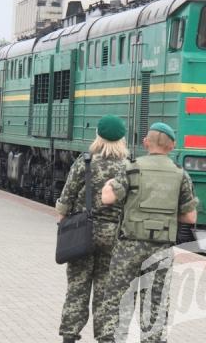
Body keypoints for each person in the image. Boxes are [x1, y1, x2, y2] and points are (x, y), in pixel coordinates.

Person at [97, 122, 198, 343]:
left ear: (145, 143)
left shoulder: (131, 169)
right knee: (155, 304)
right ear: (172, 146)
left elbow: (107, 198)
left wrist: (109, 185)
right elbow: (190, 217)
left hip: (129, 246)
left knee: (117, 298)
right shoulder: (180, 175)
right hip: (161, 249)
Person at [56, 115, 129, 343]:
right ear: (122, 139)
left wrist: (63, 223)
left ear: (98, 136)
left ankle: (69, 335)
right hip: (114, 236)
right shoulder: (128, 167)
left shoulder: (85, 161)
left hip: (82, 233)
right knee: (107, 291)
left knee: (77, 286)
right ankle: (106, 337)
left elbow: (66, 198)